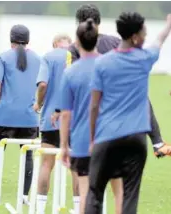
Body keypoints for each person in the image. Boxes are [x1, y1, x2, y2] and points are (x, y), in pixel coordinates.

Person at [54, 4, 171, 158]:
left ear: (78, 24)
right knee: (140, 96)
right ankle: (157, 142)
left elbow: (72, 79)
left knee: (86, 174)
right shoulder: (115, 41)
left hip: (92, 105)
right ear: (99, 22)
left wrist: (58, 109)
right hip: (119, 103)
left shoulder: (74, 49)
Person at [86, 12, 171, 214]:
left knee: (94, 193)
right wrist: (168, 26)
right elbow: (159, 41)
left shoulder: (102, 64)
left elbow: (94, 106)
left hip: (107, 137)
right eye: (143, 33)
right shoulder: (144, 58)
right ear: (134, 37)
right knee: (129, 196)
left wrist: (91, 140)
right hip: (136, 140)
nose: (145, 37)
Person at [59, 19, 122, 214]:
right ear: (97, 40)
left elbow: (65, 114)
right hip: (111, 137)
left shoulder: (70, 73)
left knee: (86, 193)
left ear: (76, 41)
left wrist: (63, 146)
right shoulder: (112, 68)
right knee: (119, 192)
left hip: (81, 142)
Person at [0, 24, 40, 204]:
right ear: (28, 40)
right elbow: (43, 84)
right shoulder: (38, 58)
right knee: (28, 155)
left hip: (5, 115)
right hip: (29, 117)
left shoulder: (3, 57)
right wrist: (39, 104)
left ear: (10, 39)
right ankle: (24, 196)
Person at [33, 33, 72, 214]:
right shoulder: (77, 55)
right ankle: (79, 208)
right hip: (74, 120)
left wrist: (38, 103)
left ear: (54, 44)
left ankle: (40, 209)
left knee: (46, 164)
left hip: (51, 119)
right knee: (77, 168)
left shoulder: (48, 57)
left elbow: (42, 84)